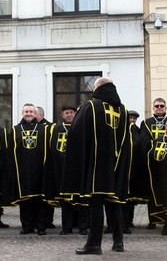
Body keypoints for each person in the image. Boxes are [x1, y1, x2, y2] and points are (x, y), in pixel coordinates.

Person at [61, 77, 130, 255]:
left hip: (96, 165)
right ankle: (118, 242)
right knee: (114, 203)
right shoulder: (122, 110)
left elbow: (75, 132)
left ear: (98, 89)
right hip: (115, 164)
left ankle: (94, 244)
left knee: (96, 203)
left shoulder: (92, 106)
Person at [4, 103, 50, 235]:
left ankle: (41, 227)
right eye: (26, 111)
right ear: (22, 113)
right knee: (25, 201)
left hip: (39, 169)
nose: (28, 114)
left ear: (35, 114)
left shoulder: (43, 129)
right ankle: (27, 226)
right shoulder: (15, 130)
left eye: (31, 111)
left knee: (40, 200)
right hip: (22, 171)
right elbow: (10, 151)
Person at [45, 105, 89, 236]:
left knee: (82, 200)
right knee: (66, 201)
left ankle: (83, 227)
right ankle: (66, 227)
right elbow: (53, 149)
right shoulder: (57, 129)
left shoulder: (83, 127)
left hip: (79, 169)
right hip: (63, 170)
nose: (69, 115)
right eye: (66, 113)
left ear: (75, 114)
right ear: (63, 115)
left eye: (71, 112)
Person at [137, 98, 167, 229]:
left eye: (161, 106)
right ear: (153, 108)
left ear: (166, 108)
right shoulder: (147, 123)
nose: (159, 108)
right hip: (153, 163)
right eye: (156, 106)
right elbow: (143, 141)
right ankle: (153, 220)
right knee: (153, 191)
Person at [124, 109, 141, 233]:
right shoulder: (121, 130)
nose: (132, 121)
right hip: (123, 169)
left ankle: (129, 221)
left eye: (134, 119)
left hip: (134, 168)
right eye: (130, 118)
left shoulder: (137, 131)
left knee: (131, 198)